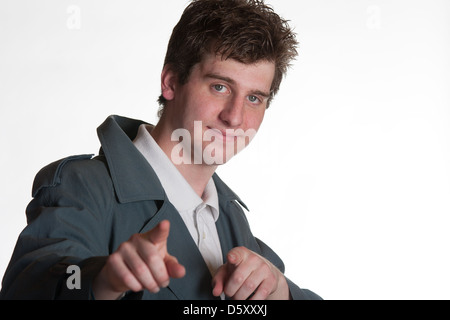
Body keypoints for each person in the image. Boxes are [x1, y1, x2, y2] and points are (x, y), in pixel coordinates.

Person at [0, 0, 321, 300]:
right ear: (170, 82)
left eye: (254, 98)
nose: (235, 116)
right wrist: (102, 278)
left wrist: (281, 291)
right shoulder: (83, 186)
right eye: (219, 86)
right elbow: (31, 282)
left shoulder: (230, 218)